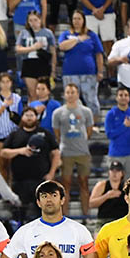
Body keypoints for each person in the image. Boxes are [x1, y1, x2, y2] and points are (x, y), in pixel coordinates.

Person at [0, 108, 61, 221]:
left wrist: (52, 173)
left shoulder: (45, 133)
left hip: (40, 180)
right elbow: (3, 153)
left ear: (36, 117)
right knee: (19, 214)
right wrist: (20, 151)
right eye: (26, 115)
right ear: (22, 117)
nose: (29, 117)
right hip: (19, 181)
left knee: (44, 213)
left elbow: (56, 153)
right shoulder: (15, 134)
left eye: (32, 115)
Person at [51, 83, 95, 216]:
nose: (70, 95)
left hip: (83, 152)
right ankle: (64, 216)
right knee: (65, 186)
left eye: (73, 92)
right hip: (66, 153)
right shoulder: (58, 113)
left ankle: (86, 215)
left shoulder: (86, 111)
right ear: (64, 95)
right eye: (68, 92)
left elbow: (89, 131)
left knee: (84, 184)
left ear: (77, 94)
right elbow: (57, 133)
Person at [59, 10, 105, 123]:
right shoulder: (66, 34)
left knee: (91, 100)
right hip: (70, 73)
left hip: (89, 73)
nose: (76, 21)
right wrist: (78, 39)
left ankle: (94, 125)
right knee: (71, 100)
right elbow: (62, 46)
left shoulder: (91, 35)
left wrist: (100, 71)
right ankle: (71, 124)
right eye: (74, 19)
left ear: (84, 20)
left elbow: (99, 54)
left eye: (79, 18)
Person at [104, 87, 130, 176]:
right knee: (115, 185)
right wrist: (124, 126)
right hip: (115, 155)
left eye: (126, 95)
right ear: (116, 98)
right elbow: (109, 134)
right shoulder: (111, 114)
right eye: (121, 95)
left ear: (129, 98)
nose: (123, 97)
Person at [15, 11, 56, 97]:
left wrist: (53, 69)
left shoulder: (48, 33)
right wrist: (32, 48)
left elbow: (53, 52)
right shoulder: (24, 33)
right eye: (30, 20)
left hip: (43, 63)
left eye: (35, 20)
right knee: (32, 92)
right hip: (29, 63)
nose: (33, 23)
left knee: (44, 93)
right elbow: (18, 49)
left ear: (40, 20)